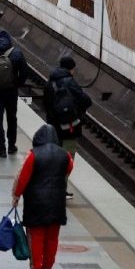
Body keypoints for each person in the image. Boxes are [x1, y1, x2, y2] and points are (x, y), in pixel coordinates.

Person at [11, 125, 73, 269]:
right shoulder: (65, 155)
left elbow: (23, 177)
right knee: (52, 237)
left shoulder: (33, 155)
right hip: (57, 202)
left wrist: (16, 195)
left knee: (36, 236)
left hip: (36, 202)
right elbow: (68, 169)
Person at [44, 56, 92, 199]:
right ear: (71, 69)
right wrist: (77, 111)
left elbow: (46, 104)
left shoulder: (50, 82)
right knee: (68, 157)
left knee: (54, 156)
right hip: (70, 127)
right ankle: (60, 189)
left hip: (54, 126)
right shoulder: (70, 82)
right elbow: (86, 101)